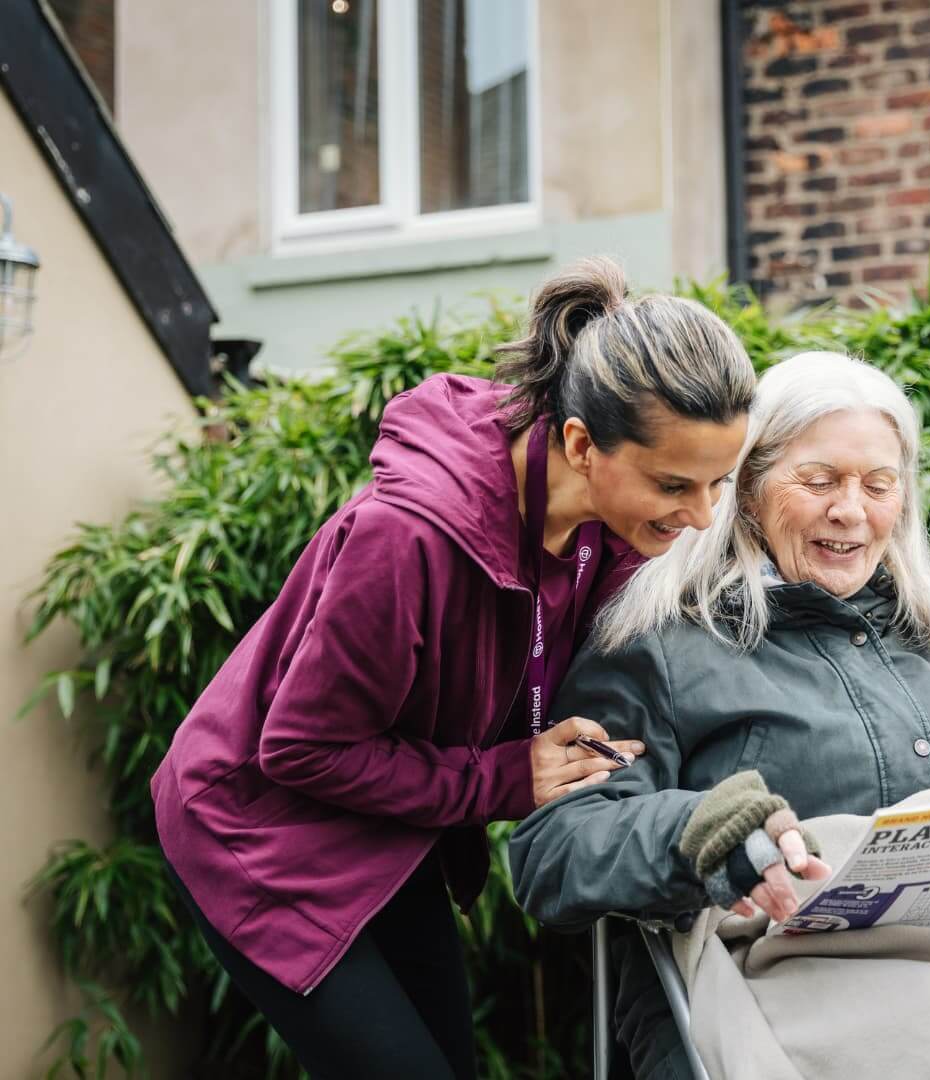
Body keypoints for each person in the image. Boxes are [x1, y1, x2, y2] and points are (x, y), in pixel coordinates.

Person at [510, 351, 930, 1080]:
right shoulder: (660, 644)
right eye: (818, 481)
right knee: (925, 1045)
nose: (851, 510)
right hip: (778, 973)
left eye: (878, 484)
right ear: (745, 489)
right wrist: (693, 833)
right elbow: (553, 851)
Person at [150, 257, 756, 1079]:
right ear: (581, 444)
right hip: (260, 825)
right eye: (675, 484)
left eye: (720, 481)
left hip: (391, 825)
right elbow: (300, 749)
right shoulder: (407, 538)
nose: (701, 515)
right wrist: (508, 779)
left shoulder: (605, 526)